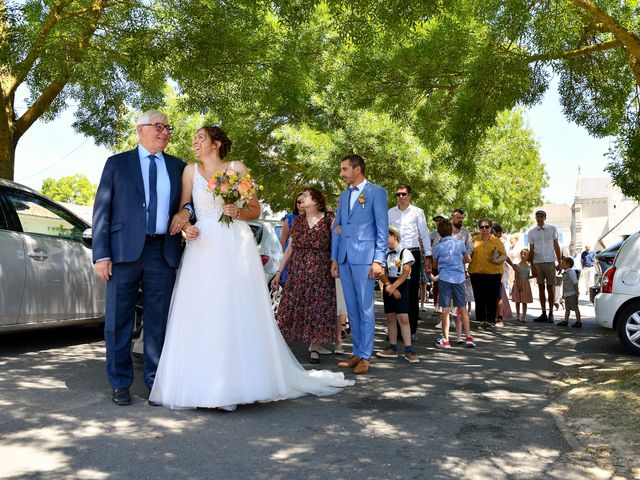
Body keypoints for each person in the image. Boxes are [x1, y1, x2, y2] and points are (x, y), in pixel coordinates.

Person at [149, 126, 353, 410]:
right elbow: (187, 206)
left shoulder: (236, 168)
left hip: (233, 242)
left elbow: (254, 210)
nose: (194, 142)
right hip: (202, 246)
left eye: (200, 138)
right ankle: (199, 383)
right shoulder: (189, 171)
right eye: (194, 138)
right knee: (201, 309)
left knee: (232, 309)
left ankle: (234, 384)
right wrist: (187, 226)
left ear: (216, 144)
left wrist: (236, 211)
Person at [93, 110, 195, 406]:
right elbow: (102, 211)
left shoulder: (179, 167)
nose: (165, 132)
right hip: (123, 252)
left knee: (157, 322)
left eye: (168, 128)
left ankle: (155, 382)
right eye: (158, 127)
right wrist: (102, 254)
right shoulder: (117, 164)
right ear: (140, 129)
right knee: (118, 320)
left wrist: (186, 212)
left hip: (162, 252)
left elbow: (192, 203)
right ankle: (120, 382)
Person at [331, 154, 388, 375]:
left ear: (358, 169)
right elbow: (338, 227)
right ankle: (356, 352)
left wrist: (378, 260)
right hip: (344, 258)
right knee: (352, 309)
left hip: (365, 259)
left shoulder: (377, 192)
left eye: (345, 169)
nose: (342, 173)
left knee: (365, 309)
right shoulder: (344, 195)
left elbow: (382, 229)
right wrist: (334, 258)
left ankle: (366, 356)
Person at [273, 187, 336, 364]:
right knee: (291, 306)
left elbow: (337, 244)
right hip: (298, 270)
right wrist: (279, 272)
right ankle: (279, 346)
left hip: (321, 271)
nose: (301, 200)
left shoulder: (329, 220)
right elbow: (290, 248)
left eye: (305, 197)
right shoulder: (298, 221)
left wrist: (335, 263)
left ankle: (315, 347)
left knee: (318, 308)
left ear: (315, 200)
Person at [388, 184, 432, 341]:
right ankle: (396, 331)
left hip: (412, 253)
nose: (401, 197)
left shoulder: (417, 212)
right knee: (394, 289)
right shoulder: (390, 212)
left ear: (410, 195)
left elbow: (424, 234)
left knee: (412, 292)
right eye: (398, 194)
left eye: (404, 194)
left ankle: (411, 330)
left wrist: (428, 255)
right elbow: (386, 235)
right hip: (395, 254)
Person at [376, 226, 418, 362]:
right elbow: (381, 272)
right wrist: (389, 286)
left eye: (387, 236)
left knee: (403, 317)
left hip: (401, 285)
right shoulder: (383, 253)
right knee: (390, 316)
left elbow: (406, 272)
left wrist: (394, 287)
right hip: (389, 285)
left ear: (394, 236)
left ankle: (409, 349)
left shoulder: (405, 252)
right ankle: (392, 347)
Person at [432, 218, 476, 349]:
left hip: (445, 278)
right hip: (459, 278)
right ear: (451, 230)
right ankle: (468, 337)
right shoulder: (459, 244)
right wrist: (457, 259)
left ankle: (446, 340)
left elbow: (435, 263)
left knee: (445, 310)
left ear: (439, 232)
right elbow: (468, 259)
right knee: (462, 309)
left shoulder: (438, 247)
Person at [468, 218, 507, 330]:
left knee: (491, 298)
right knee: (479, 297)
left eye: (486, 227)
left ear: (490, 228)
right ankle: (480, 321)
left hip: (493, 273)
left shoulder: (497, 241)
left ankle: (490, 321)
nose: (484, 229)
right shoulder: (474, 240)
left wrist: (497, 260)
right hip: (476, 272)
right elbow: (468, 254)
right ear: (478, 228)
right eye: (482, 227)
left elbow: (504, 255)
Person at [528, 210, 562, 323]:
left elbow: (556, 245)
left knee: (550, 288)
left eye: (541, 216)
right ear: (535, 218)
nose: (539, 218)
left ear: (545, 217)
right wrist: (532, 265)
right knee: (541, 288)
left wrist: (559, 262)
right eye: (537, 216)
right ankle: (543, 313)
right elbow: (531, 249)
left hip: (550, 261)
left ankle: (551, 313)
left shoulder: (552, 229)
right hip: (537, 262)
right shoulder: (532, 232)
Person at [278, 193, 305, 284]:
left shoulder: (313, 219)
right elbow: (283, 241)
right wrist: (284, 258)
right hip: (290, 259)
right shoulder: (289, 219)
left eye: (303, 201)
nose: (300, 203)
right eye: (298, 201)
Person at [556, 257, 582, 328]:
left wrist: (577, 291)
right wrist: (563, 294)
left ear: (568, 264)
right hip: (567, 294)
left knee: (575, 308)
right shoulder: (565, 273)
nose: (561, 264)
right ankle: (566, 321)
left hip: (572, 293)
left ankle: (578, 321)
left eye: (563, 263)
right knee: (567, 309)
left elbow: (575, 282)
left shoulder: (571, 272)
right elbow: (565, 285)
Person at [430, 213, 446, 316]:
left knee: (444, 285)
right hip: (435, 261)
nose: (438, 222)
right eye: (437, 220)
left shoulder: (447, 232)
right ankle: (436, 306)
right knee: (436, 285)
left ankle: (444, 308)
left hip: (444, 262)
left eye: (440, 220)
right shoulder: (432, 234)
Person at [512, 249, 534, 322]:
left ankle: (524, 317)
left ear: (528, 256)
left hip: (526, 284)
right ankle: (518, 315)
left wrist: (532, 277)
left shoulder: (529, 266)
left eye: (525, 254)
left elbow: (529, 275)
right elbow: (516, 276)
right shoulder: (517, 265)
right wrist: (518, 285)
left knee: (524, 301)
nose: (523, 256)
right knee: (517, 301)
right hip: (518, 283)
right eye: (522, 254)